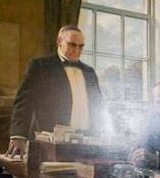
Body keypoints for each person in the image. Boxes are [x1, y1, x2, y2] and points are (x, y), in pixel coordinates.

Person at [6, 25, 103, 157]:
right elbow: (24, 102)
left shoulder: (89, 72)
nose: (77, 50)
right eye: (72, 45)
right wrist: (18, 135)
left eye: (81, 46)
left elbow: (98, 106)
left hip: (87, 143)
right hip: (50, 144)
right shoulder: (41, 66)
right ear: (59, 41)